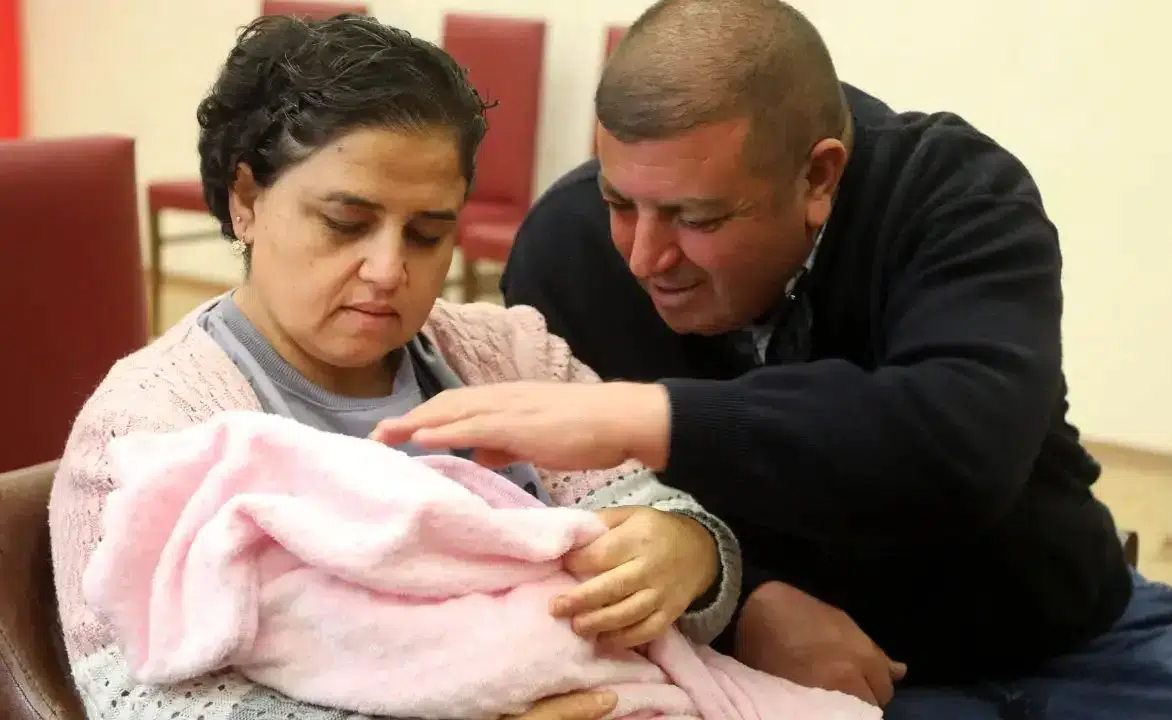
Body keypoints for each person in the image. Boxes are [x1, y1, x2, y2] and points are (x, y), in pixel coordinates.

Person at [371, 1, 1172, 718]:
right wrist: (753, 598)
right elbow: (599, 520)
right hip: (812, 683)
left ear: (819, 176)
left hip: (1072, 637)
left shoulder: (955, 194)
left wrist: (644, 415)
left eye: (697, 218)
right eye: (620, 202)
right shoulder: (568, 250)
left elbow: (959, 441)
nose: (646, 256)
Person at [47, 14, 744, 720]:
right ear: (246, 198)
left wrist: (690, 553)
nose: (387, 271)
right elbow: (136, 696)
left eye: (427, 234)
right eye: (346, 224)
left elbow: (646, 510)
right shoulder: (148, 428)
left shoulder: (511, 357)